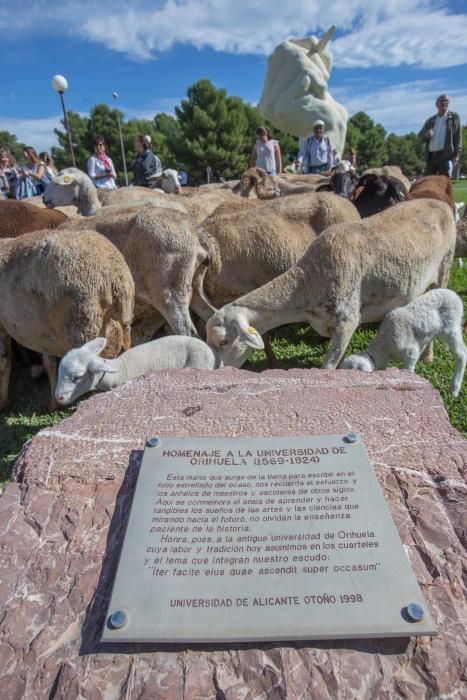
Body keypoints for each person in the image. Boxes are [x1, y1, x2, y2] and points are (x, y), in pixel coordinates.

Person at [418, 94, 461, 177]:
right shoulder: (430, 120)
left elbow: (458, 137)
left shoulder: (454, 117)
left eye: (447, 101)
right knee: (427, 182)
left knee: (444, 183)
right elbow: (420, 139)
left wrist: (456, 155)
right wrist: (426, 135)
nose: (445, 103)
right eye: (442, 101)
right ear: (436, 104)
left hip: (445, 156)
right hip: (431, 157)